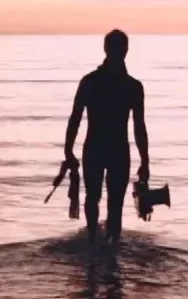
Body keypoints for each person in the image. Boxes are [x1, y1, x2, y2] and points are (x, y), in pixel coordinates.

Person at [63, 29, 149, 247]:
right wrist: (145, 161)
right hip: (118, 150)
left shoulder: (89, 82)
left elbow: (75, 119)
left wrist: (68, 150)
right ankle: (112, 250)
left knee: (92, 198)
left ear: (105, 49)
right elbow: (139, 127)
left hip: (94, 148)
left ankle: (92, 243)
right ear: (126, 51)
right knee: (115, 204)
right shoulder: (133, 87)